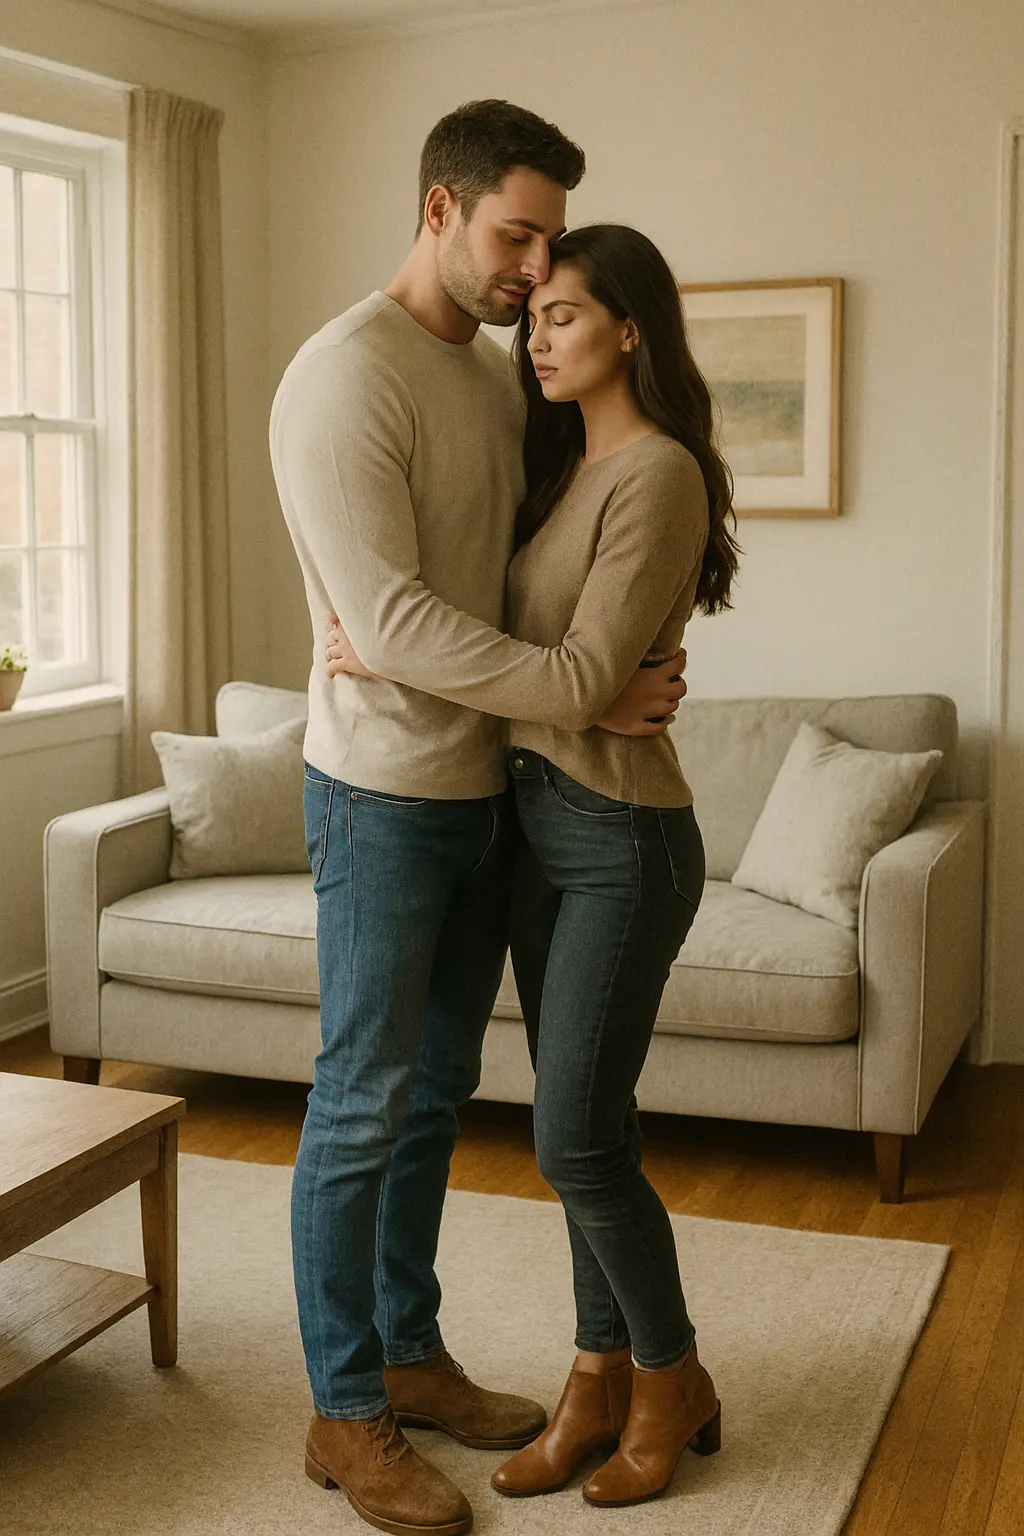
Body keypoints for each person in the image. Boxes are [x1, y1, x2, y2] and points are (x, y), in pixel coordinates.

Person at [269, 101, 689, 1536]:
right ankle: (344, 1409)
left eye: (550, 243)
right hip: (381, 795)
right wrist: (576, 691)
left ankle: (408, 1348)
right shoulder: (345, 377)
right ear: (437, 207)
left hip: (485, 793)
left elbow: (521, 580)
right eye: (515, 234)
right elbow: (387, 619)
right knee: (361, 1105)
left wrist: (599, 679)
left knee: (434, 1102)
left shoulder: (501, 384)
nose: (531, 269)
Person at [326, 223, 740, 1509]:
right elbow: (553, 671)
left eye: (562, 313)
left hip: (620, 841)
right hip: (531, 831)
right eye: (533, 314)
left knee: (570, 1142)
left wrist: (396, 655)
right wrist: (573, 690)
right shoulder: (559, 464)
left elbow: (574, 675)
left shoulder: (658, 473)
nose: (535, 334)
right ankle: (593, 1375)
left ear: (630, 328)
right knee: (593, 1129)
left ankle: (670, 1376)